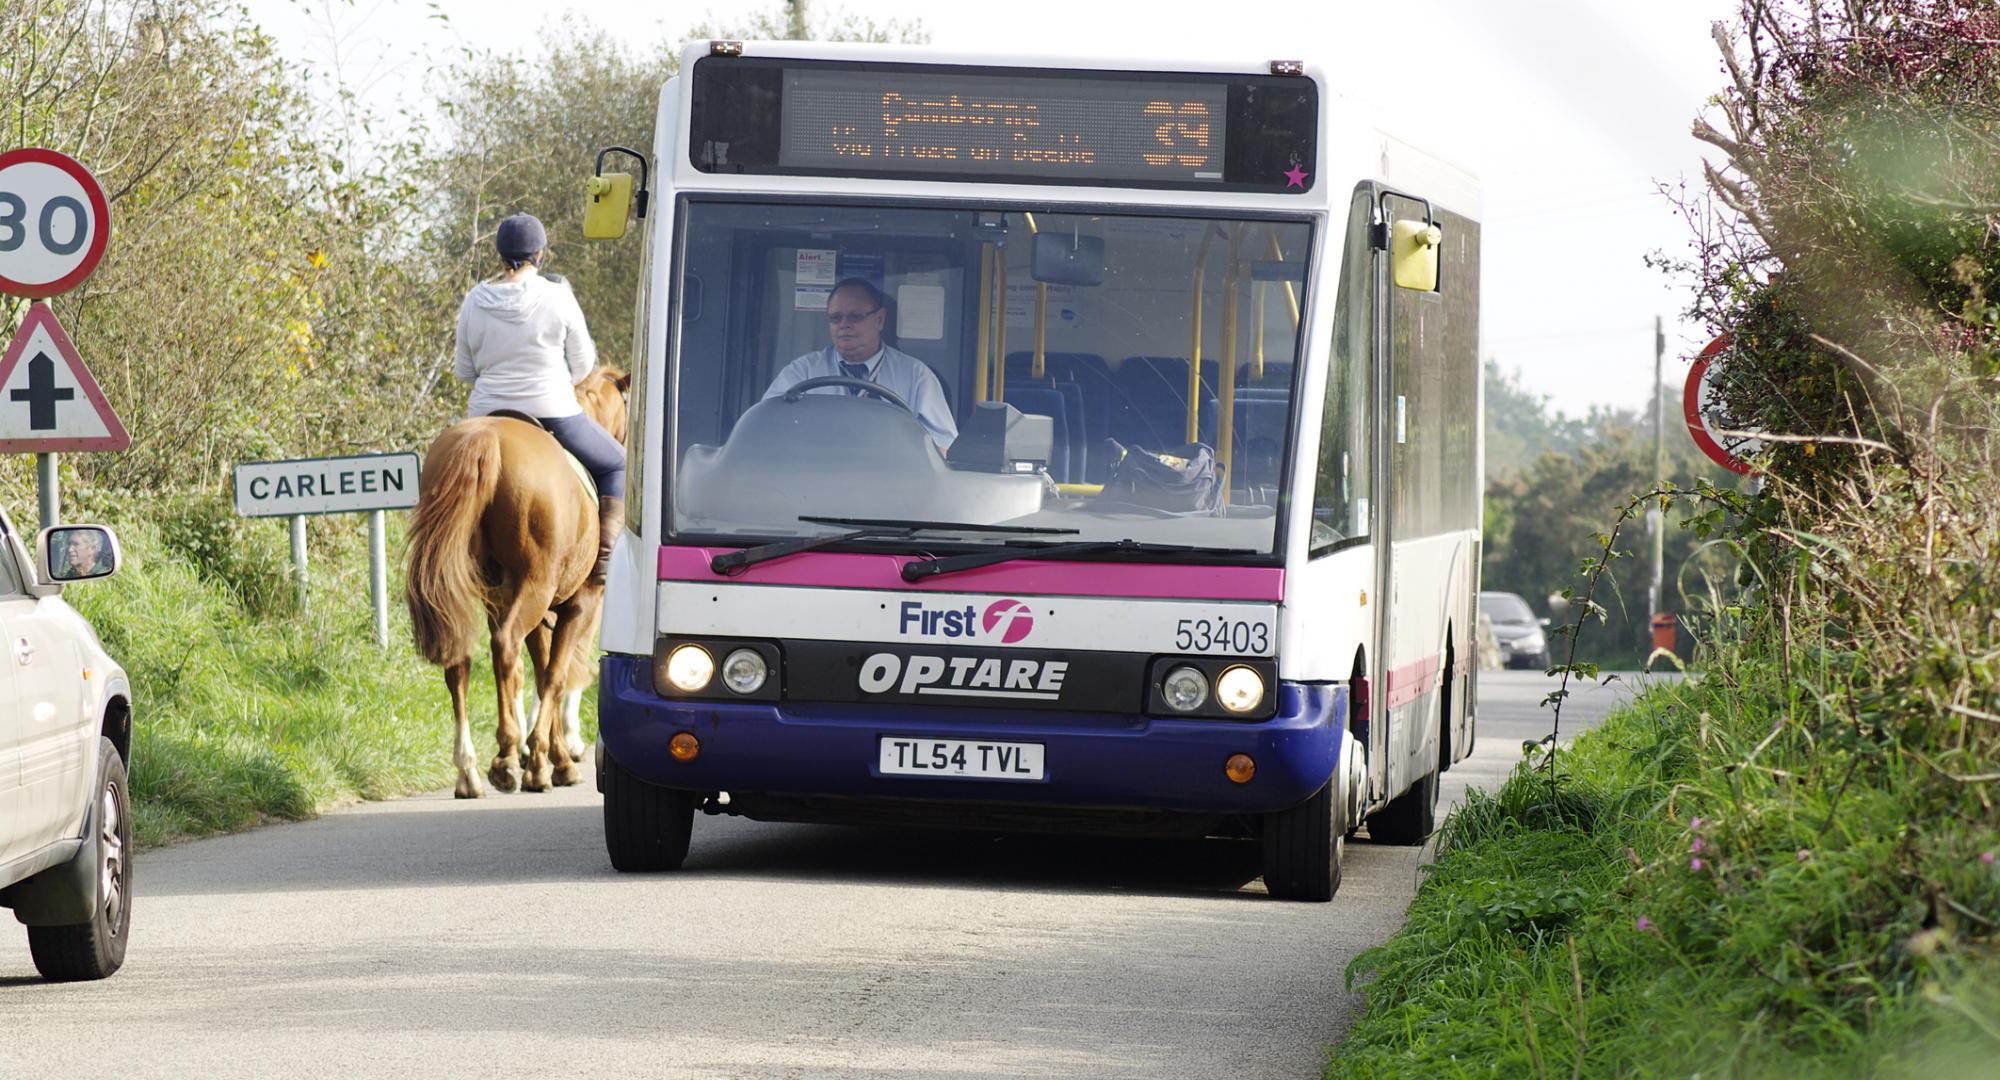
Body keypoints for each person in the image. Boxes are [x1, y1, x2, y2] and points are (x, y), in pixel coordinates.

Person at [453, 212, 625, 584]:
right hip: (553, 413)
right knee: (617, 465)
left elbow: (464, 370)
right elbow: (583, 369)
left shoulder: (474, 300)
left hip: (486, 415)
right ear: (541, 255)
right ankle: (606, 563)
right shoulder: (558, 296)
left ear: (499, 256)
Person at [763, 278, 958, 451]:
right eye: (835, 318)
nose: (844, 324)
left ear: (880, 320)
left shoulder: (916, 376)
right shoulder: (802, 372)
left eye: (855, 316)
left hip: (891, 482)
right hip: (815, 479)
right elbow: (765, 429)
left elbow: (942, 448)